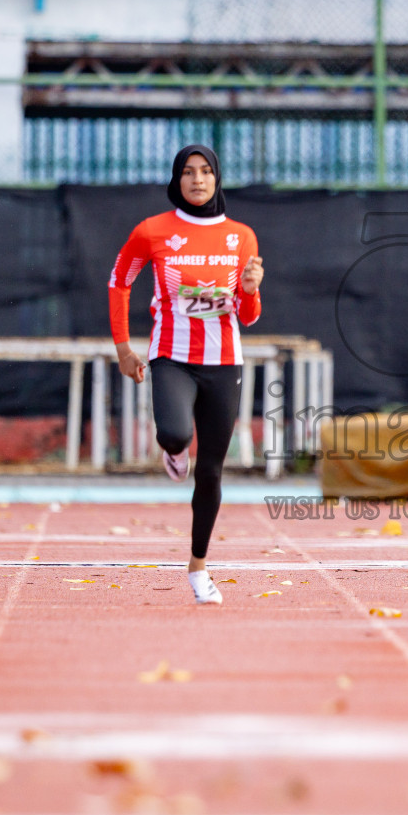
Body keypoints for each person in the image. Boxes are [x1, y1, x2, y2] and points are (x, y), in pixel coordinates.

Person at [110, 145, 264, 605]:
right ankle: (173, 451)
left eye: (206, 172)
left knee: (212, 471)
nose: (198, 180)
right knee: (175, 433)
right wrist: (123, 348)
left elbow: (248, 315)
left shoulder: (241, 237)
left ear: (217, 179)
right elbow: (120, 281)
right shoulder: (153, 231)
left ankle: (198, 567)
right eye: (188, 172)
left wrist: (251, 292)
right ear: (177, 180)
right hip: (171, 355)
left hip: (224, 361)